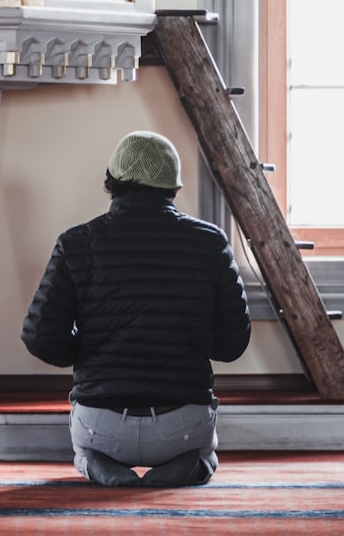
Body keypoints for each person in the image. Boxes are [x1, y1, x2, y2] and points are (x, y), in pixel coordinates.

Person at [22, 130, 251, 488]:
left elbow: (40, 338)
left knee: (84, 451)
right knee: (207, 453)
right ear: (174, 188)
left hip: (101, 425)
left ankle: (97, 464)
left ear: (111, 182)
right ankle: (190, 465)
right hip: (183, 427)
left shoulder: (77, 242)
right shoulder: (209, 242)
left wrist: (88, 349)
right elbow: (232, 345)